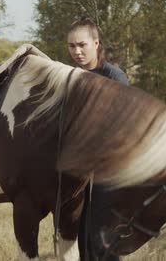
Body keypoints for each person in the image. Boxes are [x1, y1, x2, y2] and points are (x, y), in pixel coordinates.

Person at [66, 16, 128, 261]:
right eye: (72, 46)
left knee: (103, 242)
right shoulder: (69, 77)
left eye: (82, 44)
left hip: (108, 171)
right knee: (81, 240)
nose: (77, 51)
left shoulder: (114, 76)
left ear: (96, 43)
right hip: (76, 171)